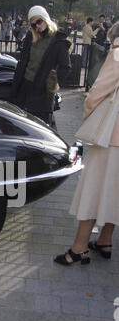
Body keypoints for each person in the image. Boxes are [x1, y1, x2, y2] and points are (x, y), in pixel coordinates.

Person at [54, 22, 119, 266]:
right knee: (114, 191)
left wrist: (87, 120)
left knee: (92, 189)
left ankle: (79, 248)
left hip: (110, 137)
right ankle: (105, 240)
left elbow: (95, 94)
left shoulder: (117, 55)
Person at [10, 5, 71, 127]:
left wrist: (52, 83)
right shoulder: (30, 37)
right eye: (33, 24)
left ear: (45, 19)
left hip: (43, 92)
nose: (37, 26)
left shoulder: (59, 40)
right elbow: (23, 62)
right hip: (25, 87)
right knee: (22, 126)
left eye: (39, 21)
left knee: (42, 129)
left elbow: (65, 67)